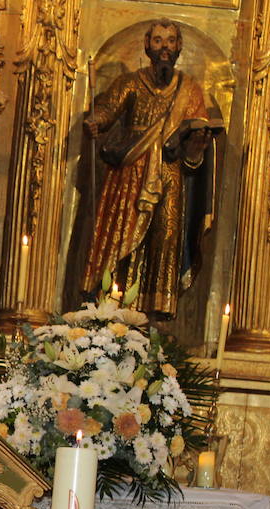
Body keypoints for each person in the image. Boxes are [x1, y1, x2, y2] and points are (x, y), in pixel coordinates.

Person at [80, 20, 223, 318]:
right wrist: (96, 121)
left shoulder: (190, 90)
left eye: (170, 41)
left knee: (164, 237)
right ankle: (112, 307)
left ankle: (152, 312)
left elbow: (195, 147)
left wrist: (197, 142)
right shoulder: (130, 83)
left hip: (170, 175)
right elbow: (107, 110)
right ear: (147, 46)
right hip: (130, 171)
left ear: (179, 47)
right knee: (123, 237)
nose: (164, 48)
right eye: (158, 41)